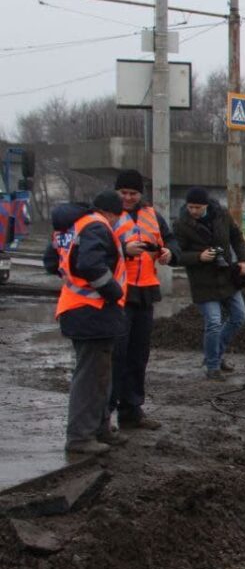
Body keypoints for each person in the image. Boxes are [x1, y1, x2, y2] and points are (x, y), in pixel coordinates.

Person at [46, 192, 129, 455]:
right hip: (92, 311)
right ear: (113, 213)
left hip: (78, 310)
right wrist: (113, 291)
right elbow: (90, 265)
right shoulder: (96, 225)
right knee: (91, 376)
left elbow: (51, 262)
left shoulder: (70, 226)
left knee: (100, 374)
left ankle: (99, 428)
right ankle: (81, 436)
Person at [108, 169, 180, 430]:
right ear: (116, 192)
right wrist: (123, 251)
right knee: (117, 354)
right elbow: (97, 250)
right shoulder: (107, 216)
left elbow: (171, 240)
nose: (128, 197)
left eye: (133, 193)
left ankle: (132, 409)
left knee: (139, 355)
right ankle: (106, 413)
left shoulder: (152, 215)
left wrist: (170, 253)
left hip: (145, 292)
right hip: (118, 294)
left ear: (141, 194)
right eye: (123, 192)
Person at [174, 187, 245, 381]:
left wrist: (244, 261)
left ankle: (215, 353)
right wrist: (198, 256)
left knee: (239, 316)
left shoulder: (222, 215)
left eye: (197, 207)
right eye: (191, 207)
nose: (193, 211)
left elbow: (236, 238)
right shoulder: (182, 225)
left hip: (226, 277)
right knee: (214, 323)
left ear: (206, 206)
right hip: (203, 282)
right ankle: (213, 366)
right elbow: (176, 255)